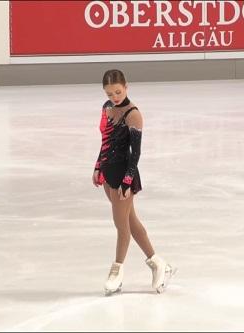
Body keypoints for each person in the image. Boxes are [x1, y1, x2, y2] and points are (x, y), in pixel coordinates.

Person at [92, 69, 176, 295]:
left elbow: (135, 153)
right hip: (108, 173)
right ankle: (158, 264)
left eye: (118, 92)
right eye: (109, 93)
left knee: (121, 227)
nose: (114, 97)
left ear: (126, 86)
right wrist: (98, 166)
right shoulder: (106, 108)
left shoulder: (133, 114)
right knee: (131, 222)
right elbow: (105, 140)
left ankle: (116, 271)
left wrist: (127, 182)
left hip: (123, 177)